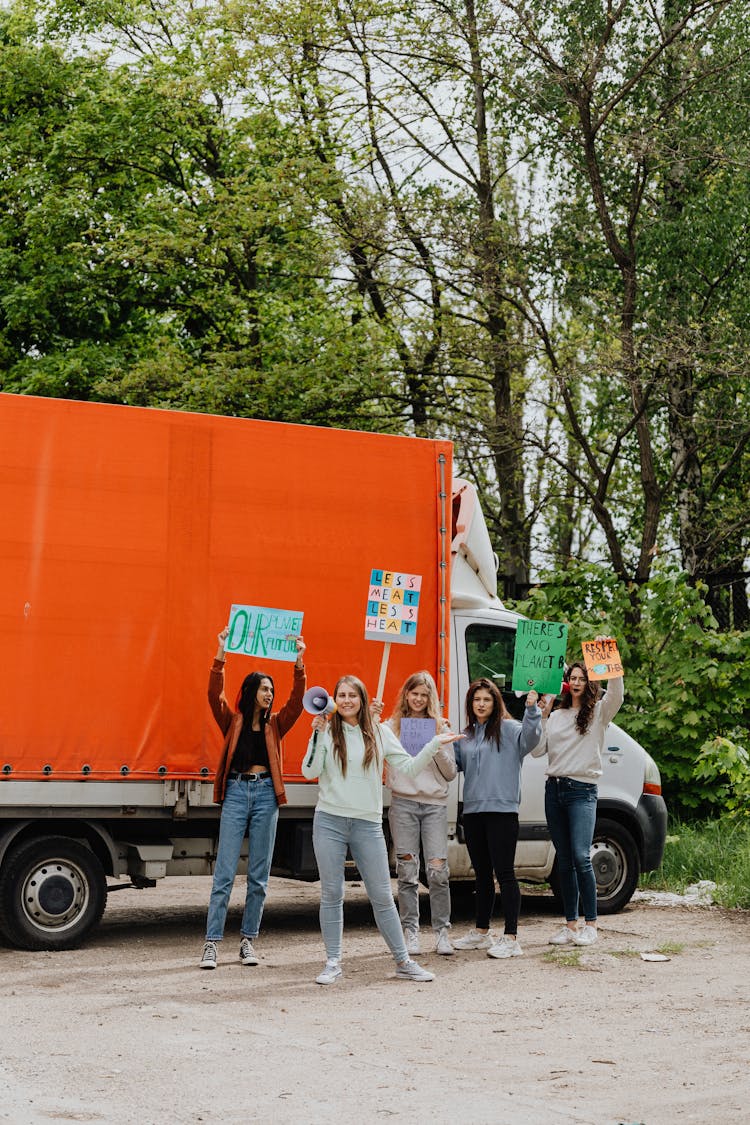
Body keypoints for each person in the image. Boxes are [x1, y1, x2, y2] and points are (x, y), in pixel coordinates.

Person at [303, 674, 461, 985]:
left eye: (353, 695)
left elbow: (411, 767)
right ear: (335, 700)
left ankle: (403, 962)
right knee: (332, 894)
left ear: (361, 699)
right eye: (342, 695)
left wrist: (433, 744)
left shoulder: (380, 732)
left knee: (381, 896)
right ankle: (333, 961)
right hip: (330, 821)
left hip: (367, 824)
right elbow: (309, 771)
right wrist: (317, 734)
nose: (347, 700)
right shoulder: (327, 731)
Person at [200, 626, 307, 969]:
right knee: (225, 875)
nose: (269, 694)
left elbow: (296, 702)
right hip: (236, 792)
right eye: (264, 688)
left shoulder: (277, 724)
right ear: (250, 691)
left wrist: (299, 663)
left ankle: (248, 941)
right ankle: (212, 943)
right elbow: (213, 694)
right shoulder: (233, 722)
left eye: (271, 690)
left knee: (259, 876)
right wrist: (221, 654)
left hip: (265, 796)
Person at [532, 658, 624, 947]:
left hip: (582, 791)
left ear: (589, 683)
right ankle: (570, 925)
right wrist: (542, 715)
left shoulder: (598, 713)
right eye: (572, 677)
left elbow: (617, 695)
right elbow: (536, 751)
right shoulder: (557, 715)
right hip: (554, 790)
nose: (576, 682)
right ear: (566, 682)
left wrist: (609, 660)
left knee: (582, 856)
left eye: (581, 678)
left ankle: (591, 924)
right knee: (565, 861)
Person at [452, 677, 542, 959]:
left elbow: (532, 738)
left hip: (502, 812)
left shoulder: (511, 728)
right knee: (480, 875)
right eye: (476, 700)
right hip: (474, 812)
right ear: (471, 704)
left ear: (495, 703)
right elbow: (451, 766)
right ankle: (481, 933)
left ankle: (511, 938)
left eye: (486, 700)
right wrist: (438, 739)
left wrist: (531, 708)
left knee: (505, 874)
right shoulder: (465, 736)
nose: (481, 704)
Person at [379, 672, 456, 956]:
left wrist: (436, 742)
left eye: (425, 695)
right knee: (407, 872)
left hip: (434, 806)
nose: (419, 699)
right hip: (403, 805)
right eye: (415, 693)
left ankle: (442, 931)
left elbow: (450, 773)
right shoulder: (392, 726)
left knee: (437, 871)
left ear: (430, 698)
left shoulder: (441, 726)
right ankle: (410, 931)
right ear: (406, 694)